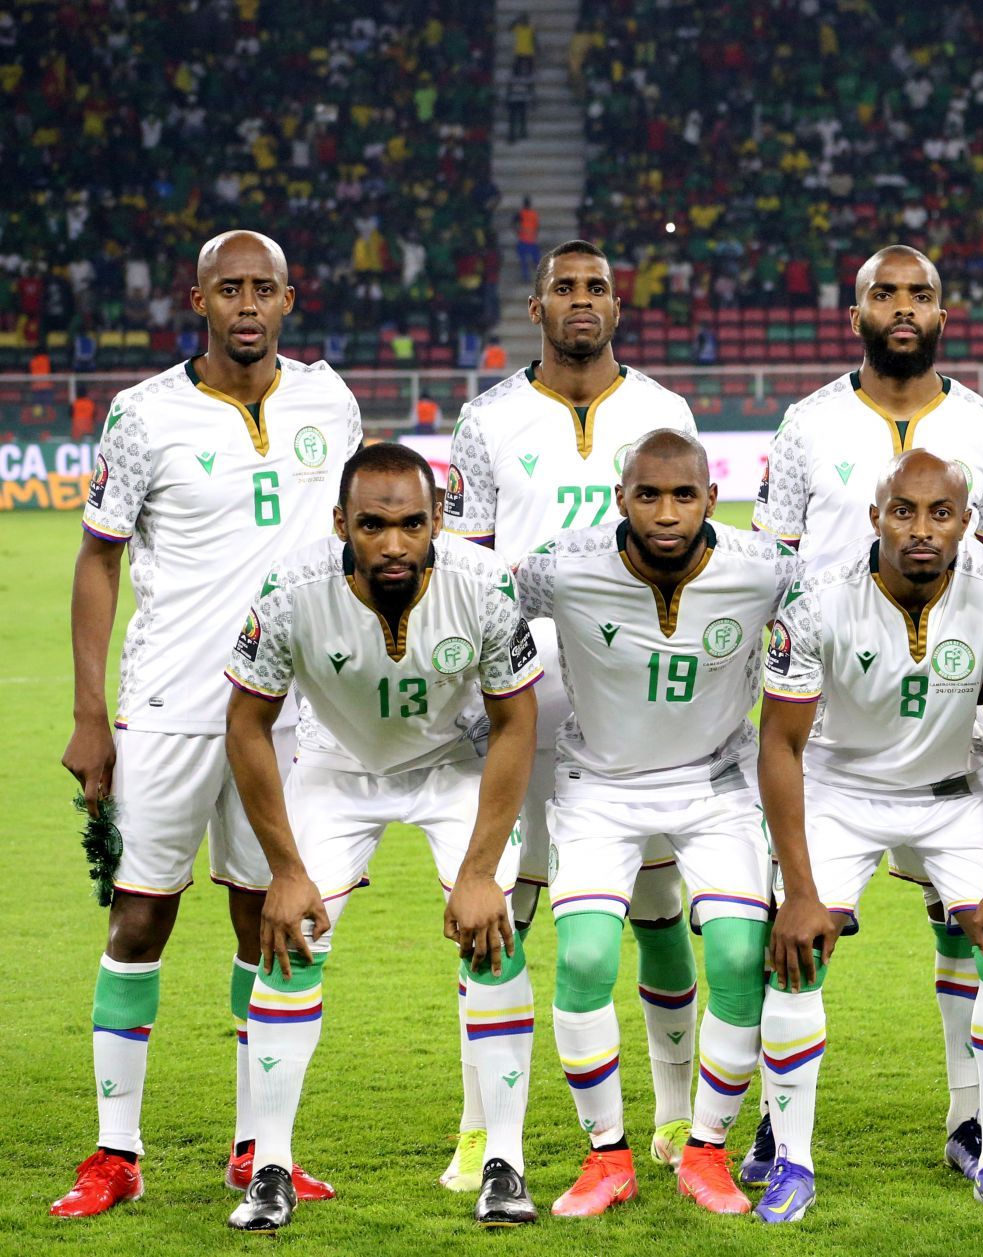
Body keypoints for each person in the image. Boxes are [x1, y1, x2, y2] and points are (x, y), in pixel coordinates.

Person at [53, 231, 360, 1220]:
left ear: (288, 298)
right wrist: (90, 716)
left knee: (267, 920)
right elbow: (99, 559)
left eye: (261, 289)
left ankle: (257, 1150)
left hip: (291, 713)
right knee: (141, 913)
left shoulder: (330, 401)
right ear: (196, 299)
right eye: (228, 288)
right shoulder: (145, 417)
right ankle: (115, 1154)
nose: (245, 304)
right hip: (170, 710)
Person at [749, 244, 983, 1184]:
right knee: (785, 925)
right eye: (884, 293)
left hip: (949, 725)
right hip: (828, 726)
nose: (902, 307)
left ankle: (970, 1120)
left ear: (945, 312)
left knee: (970, 927)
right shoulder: (805, 425)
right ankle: (773, 1128)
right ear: (855, 308)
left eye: (920, 294)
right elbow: (771, 567)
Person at [221, 443, 542, 1231]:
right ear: (341, 523)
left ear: (438, 520)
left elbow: (515, 725)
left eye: (410, 524)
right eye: (372, 525)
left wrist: (477, 873)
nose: (393, 543)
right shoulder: (291, 591)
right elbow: (248, 724)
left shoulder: (483, 585)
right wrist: (285, 868)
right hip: (338, 766)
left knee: (494, 935)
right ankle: (269, 1168)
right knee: (290, 934)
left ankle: (505, 1162)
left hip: (452, 762)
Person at [441, 239, 700, 1187]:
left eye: (596, 287)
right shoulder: (489, 418)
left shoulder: (664, 412)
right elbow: (464, 564)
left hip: (639, 699)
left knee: (658, 902)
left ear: (617, 306)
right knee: (499, 900)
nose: (581, 301)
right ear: (535, 305)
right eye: (564, 288)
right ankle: (481, 1125)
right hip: (520, 698)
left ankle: (673, 1113)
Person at [755, 450, 983, 1222]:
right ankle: (791, 1161)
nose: (921, 529)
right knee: (795, 955)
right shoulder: (816, 597)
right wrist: (801, 891)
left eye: (940, 513)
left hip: (954, 792)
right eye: (904, 511)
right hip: (839, 792)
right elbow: (779, 745)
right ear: (875, 516)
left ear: (967, 522)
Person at [515, 432, 800, 1217]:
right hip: (598, 782)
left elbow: (848, 605)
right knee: (583, 956)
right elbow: (476, 599)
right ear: (621, 499)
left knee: (743, 955)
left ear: (712, 498)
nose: (667, 513)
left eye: (684, 495)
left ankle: (706, 1151)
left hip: (716, 780)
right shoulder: (562, 564)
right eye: (649, 495)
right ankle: (606, 1156)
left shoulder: (767, 567)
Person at [517, 198, 541, 283]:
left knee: (525, 261)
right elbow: (537, 226)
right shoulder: (532, 214)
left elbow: (514, 224)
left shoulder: (521, 213)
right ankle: (531, 276)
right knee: (534, 260)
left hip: (525, 240)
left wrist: (518, 231)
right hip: (530, 240)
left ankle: (527, 277)